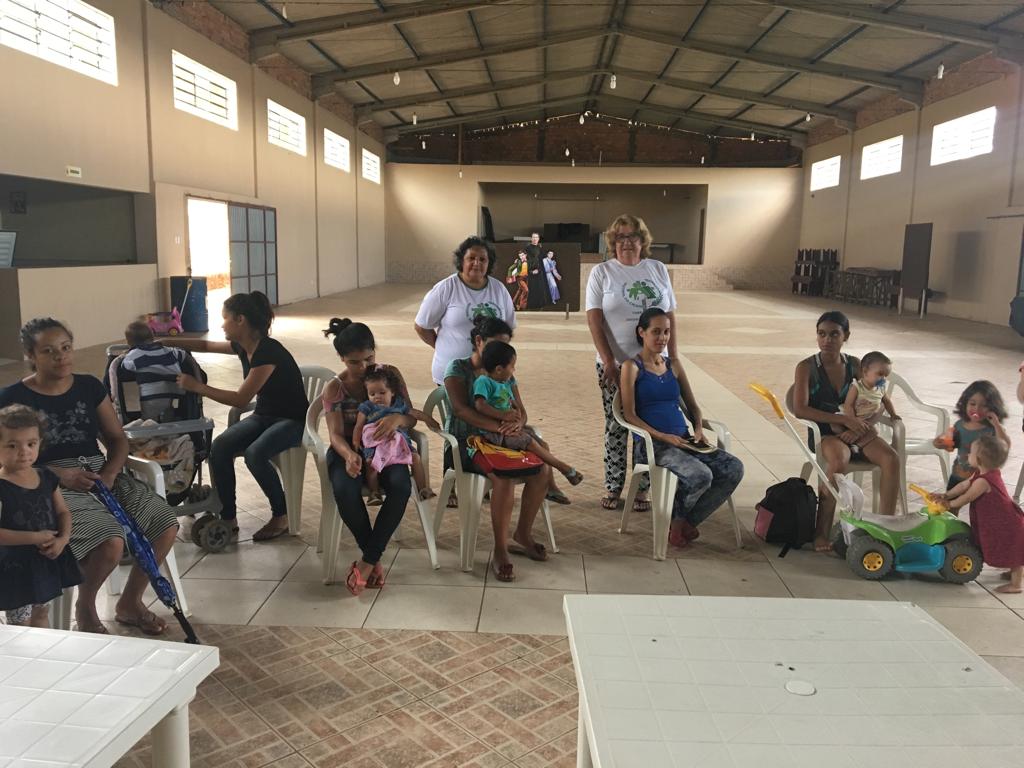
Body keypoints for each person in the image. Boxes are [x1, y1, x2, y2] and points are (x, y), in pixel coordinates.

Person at [0, 318, 179, 635]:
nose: (61, 356)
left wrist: (109, 473)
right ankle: (85, 608)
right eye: (49, 351)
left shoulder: (89, 387)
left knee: (165, 522)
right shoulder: (11, 398)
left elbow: (118, 439)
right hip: (48, 484)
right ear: (31, 355)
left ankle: (130, 602)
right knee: (109, 540)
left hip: (99, 474)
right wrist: (60, 475)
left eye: (66, 347)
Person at [161, 291, 308, 542]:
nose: (222, 325)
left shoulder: (268, 352)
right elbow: (205, 346)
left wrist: (197, 387)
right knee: (219, 447)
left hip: (292, 421)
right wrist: (166, 342)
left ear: (241, 320)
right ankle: (228, 517)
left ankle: (281, 515)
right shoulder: (243, 347)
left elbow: (240, 399)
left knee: (255, 454)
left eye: (225, 318)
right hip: (265, 415)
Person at [323, 318, 431, 595]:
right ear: (341, 358)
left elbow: (410, 416)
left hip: (388, 448)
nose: (363, 367)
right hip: (349, 450)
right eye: (354, 362)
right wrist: (349, 455)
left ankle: (367, 562)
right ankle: (373, 560)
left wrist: (397, 419)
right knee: (344, 490)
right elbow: (335, 435)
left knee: (400, 486)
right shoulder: (335, 389)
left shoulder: (389, 376)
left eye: (369, 359)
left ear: (375, 352)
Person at [619, 309, 744, 547]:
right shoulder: (631, 367)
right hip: (653, 446)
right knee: (701, 475)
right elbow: (630, 415)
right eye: (656, 332)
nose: (662, 338)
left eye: (666, 332)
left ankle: (685, 522)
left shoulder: (673, 365)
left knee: (734, 468)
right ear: (641, 332)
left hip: (684, 441)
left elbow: (693, 407)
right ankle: (677, 525)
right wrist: (663, 436)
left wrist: (698, 430)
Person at [444, 315, 553, 581]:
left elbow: (521, 411)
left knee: (541, 470)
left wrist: (517, 425)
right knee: (503, 478)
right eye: (496, 345)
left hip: (502, 441)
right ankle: (501, 549)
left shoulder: (503, 372)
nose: (501, 352)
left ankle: (523, 534)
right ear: (478, 341)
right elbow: (461, 410)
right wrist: (499, 426)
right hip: (468, 444)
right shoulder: (457, 369)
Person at [586, 214, 677, 512]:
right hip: (614, 365)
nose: (626, 242)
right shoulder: (602, 273)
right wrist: (609, 360)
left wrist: (673, 358)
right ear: (613, 242)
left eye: (632, 236)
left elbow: (670, 316)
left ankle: (641, 489)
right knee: (616, 425)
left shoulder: (657, 269)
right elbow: (594, 320)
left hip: (654, 365)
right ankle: (613, 486)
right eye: (620, 237)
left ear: (642, 240)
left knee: (647, 425)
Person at [791, 311, 900, 552]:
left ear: (846, 336)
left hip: (859, 429)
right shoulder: (806, 367)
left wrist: (861, 426)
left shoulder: (855, 365)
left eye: (834, 334)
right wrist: (842, 420)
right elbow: (800, 409)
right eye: (821, 334)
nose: (827, 340)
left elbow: (878, 396)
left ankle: (886, 527)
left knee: (891, 458)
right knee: (840, 459)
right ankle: (821, 531)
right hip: (825, 433)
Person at [0, 405, 81, 628]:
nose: (24, 451)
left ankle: (45, 651)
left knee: (42, 614)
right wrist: (35, 538)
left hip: (44, 562)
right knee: (20, 623)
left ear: (39, 443)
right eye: (12, 445)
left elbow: (63, 512)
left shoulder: (46, 477)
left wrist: (63, 539)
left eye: (31, 444)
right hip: (14, 569)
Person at [472, 340, 583, 486]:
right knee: (528, 442)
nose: (514, 370)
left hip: (511, 429)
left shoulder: (505, 383)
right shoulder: (484, 382)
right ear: (499, 369)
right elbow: (480, 405)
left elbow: (514, 404)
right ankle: (564, 468)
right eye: (512, 366)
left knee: (543, 444)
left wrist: (516, 413)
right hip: (494, 434)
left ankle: (550, 486)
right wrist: (503, 415)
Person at [414, 236, 516, 386]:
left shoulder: (499, 289)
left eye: (482, 259)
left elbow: (508, 328)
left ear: (489, 263)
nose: (477, 263)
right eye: (471, 258)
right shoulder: (446, 288)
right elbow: (421, 326)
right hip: (453, 376)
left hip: (491, 376)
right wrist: (441, 346)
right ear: (462, 261)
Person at [932, 436, 1024, 593]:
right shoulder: (983, 474)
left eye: (971, 453)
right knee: (1009, 548)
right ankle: (1013, 573)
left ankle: (1016, 584)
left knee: (1013, 550)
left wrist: (950, 505)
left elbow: (967, 497)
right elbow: (963, 486)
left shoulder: (983, 482)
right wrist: (946, 495)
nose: (968, 455)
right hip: (1000, 520)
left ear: (979, 459)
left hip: (1007, 523)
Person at [352, 364, 434, 505]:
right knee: (371, 464)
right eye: (372, 394)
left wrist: (429, 419)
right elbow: (359, 426)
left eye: (382, 393)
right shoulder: (367, 407)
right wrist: (355, 443)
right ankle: (374, 492)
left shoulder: (399, 405)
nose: (377, 397)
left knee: (416, 458)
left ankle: (423, 489)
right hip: (377, 445)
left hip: (399, 445)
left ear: (392, 392)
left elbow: (414, 413)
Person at [933, 380, 1010, 491]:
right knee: (950, 499)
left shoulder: (992, 429)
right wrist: (940, 442)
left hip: (982, 480)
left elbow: (1005, 446)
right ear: (965, 403)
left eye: (984, 406)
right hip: (959, 475)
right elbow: (950, 443)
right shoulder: (959, 425)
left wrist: (997, 425)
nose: (977, 409)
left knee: (976, 502)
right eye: (972, 404)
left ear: (993, 407)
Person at [119, 320, 188, 422]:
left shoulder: (134, 355)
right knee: (167, 410)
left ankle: (153, 429)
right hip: (171, 391)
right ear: (152, 337)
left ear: (129, 342)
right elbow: (183, 355)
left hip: (150, 394)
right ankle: (169, 425)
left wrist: (125, 355)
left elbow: (125, 367)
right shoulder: (168, 350)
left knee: (149, 419)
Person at [840, 351, 901, 453]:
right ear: (865, 371)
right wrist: (853, 421)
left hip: (866, 421)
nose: (883, 379)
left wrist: (893, 414)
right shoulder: (857, 387)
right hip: (851, 418)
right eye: (880, 374)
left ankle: (856, 446)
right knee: (836, 426)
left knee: (874, 432)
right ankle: (842, 440)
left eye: (886, 375)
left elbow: (887, 401)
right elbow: (848, 405)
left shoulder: (881, 388)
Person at [525, 232, 552, 309]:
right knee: (532, 288)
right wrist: (531, 271)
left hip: (540, 271)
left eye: (536, 237)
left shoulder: (540, 248)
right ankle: (532, 306)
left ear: (538, 239)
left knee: (541, 288)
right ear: (531, 239)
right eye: (533, 237)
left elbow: (542, 259)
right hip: (532, 271)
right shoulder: (528, 248)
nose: (535, 239)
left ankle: (541, 305)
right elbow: (528, 261)